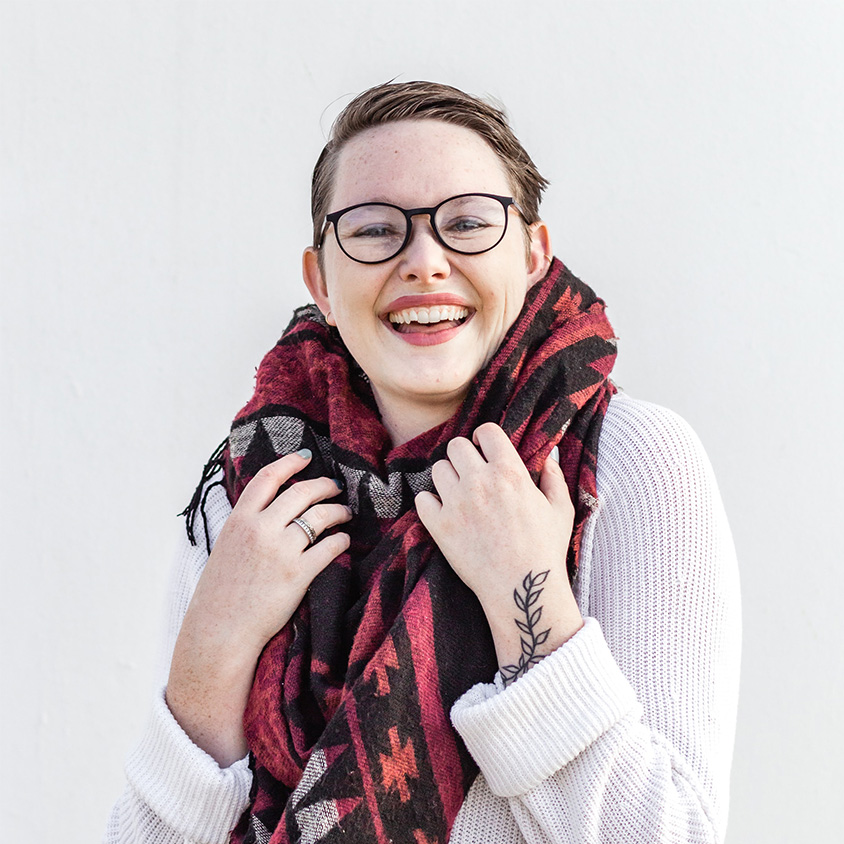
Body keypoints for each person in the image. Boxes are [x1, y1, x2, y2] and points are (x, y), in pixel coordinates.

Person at [105, 81, 741, 844]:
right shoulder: (252, 492)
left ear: (534, 254)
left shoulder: (629, 462)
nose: (425, 263)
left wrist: (525, 598)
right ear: (322, 284)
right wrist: (209, 657)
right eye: (375, 231)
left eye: (468, 222)